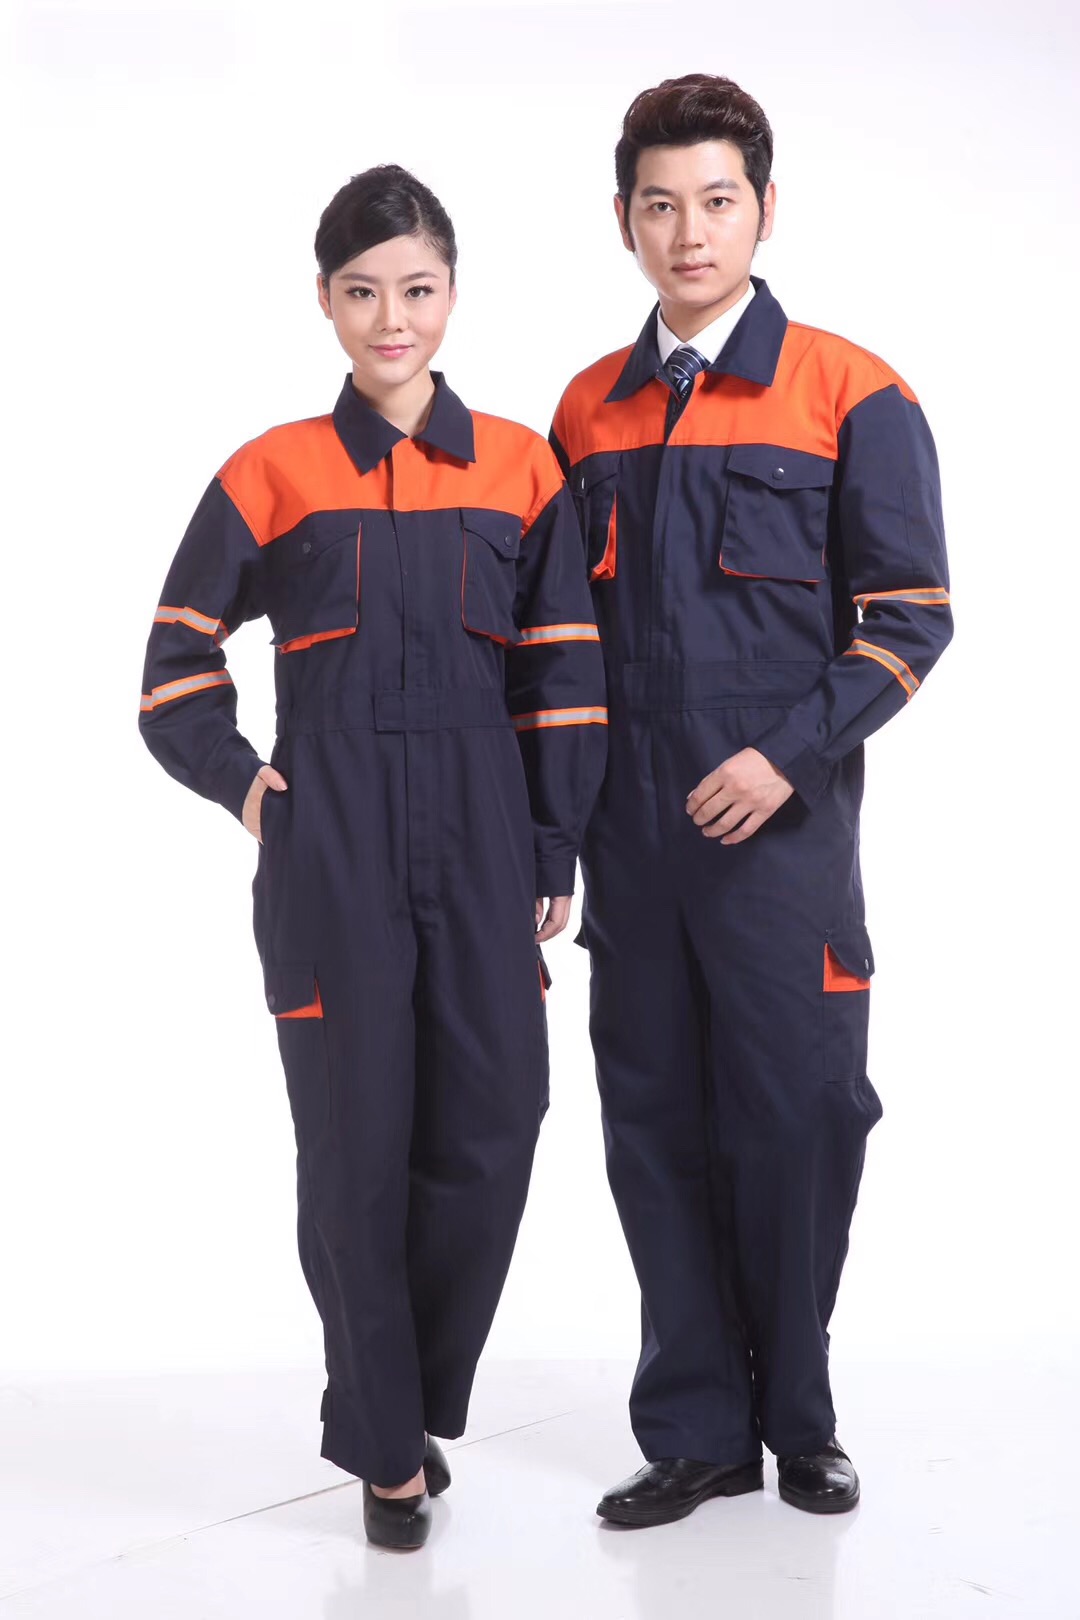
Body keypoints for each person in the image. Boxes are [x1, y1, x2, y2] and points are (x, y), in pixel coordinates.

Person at [139, 165, 607, 1551]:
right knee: (354, 1151)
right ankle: (388, 1451)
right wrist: (251, 791)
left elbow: (563, 673)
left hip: (482, 843)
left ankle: (405, 1397)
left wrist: (552, 838)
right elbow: (173, 670)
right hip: (331, 848)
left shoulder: (521, 466)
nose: (390, 319)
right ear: (326, 303)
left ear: (452, 294)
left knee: (497, 1121)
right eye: (361, 292)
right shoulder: (271, 470)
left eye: (415, 289)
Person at [550, 75, 952, 1525]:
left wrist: (787, 753)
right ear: (624, 220)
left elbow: (910, 618)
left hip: (780, 833)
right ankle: (696, 1431)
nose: (689, 232)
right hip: (632, 833)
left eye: (717, 200)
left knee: (801, 1113)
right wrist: (551, 830)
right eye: (660, 204)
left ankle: (799, 1417)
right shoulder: (586, 410)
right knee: (652, 1119)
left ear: (764, 210)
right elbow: (559, 645)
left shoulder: (851, 389)